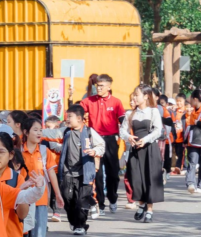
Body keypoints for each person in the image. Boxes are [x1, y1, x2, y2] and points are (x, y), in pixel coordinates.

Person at [79, 74, 124, 216]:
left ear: (109, 87)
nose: (98, 88)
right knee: (97, 173)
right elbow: (76, 112)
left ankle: (113, 198)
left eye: (101, 86)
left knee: (113, 173)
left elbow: (123, 120)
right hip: (95, 140)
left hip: (111, 140)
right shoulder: (88, 101)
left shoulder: (116, 102)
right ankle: (100, 203)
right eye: (97, 85)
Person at [59, 104, 105, 235]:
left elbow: (101, 145)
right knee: (68, 199)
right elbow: (53, 136)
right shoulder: (66, 132)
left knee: (81, 200)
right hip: (68, 172)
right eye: (67, 117)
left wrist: (94, 151)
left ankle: (81, 225)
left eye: (70, 117)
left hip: (84, 173)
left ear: (79, 119)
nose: (67, 119)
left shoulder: (89, 132)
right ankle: (74, 222)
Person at [125, 86, 164, 223]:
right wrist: (128, 137)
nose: (134, 98)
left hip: (150, 149)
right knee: (136, 179)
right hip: (135, 150)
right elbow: (122, 131)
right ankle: (141, 204)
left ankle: (149, 210)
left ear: (146, 96)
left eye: (137, 95)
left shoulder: (153, 111)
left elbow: (158, 130)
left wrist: (145, 140)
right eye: (134, 95)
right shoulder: (130, 113)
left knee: (149, 179)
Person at [20, 118, 52, 237]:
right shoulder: (18, 151)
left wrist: (58, 195)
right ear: (26, 132)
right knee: (23, 223)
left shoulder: (45, 151)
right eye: (35, 129)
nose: (39, 133)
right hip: (24, 195)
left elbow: (51, 175)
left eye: (41, 130)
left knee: (40, 225)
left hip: (41, 195)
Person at [172, 95, 187, 175]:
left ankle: (180, 167)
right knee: (178, 152)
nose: (179, 103)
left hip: (183, 135)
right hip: (176, 136)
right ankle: (184, 166)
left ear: (184, 101)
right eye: (177, 101)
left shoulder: (186, 111)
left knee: (182, 153)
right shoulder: (174, 112)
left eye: (180, 101)